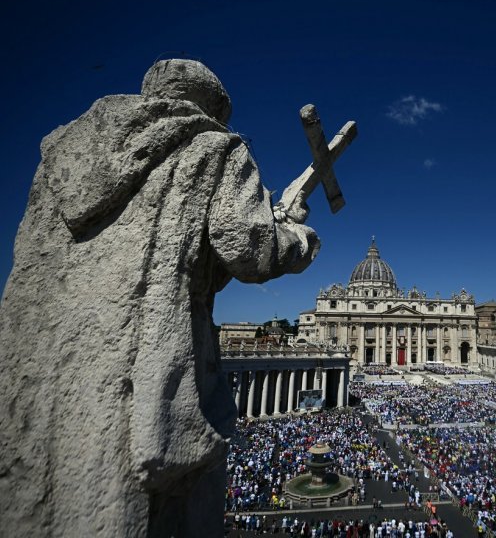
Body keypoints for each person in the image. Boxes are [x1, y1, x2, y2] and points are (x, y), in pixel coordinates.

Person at [0, 59, 321, 537]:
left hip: (47, 371)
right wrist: (297, 236)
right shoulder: (213, 145)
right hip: (143, 371)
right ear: (213, 108)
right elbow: (249, 249)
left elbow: (189, 264)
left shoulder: (61, 160)